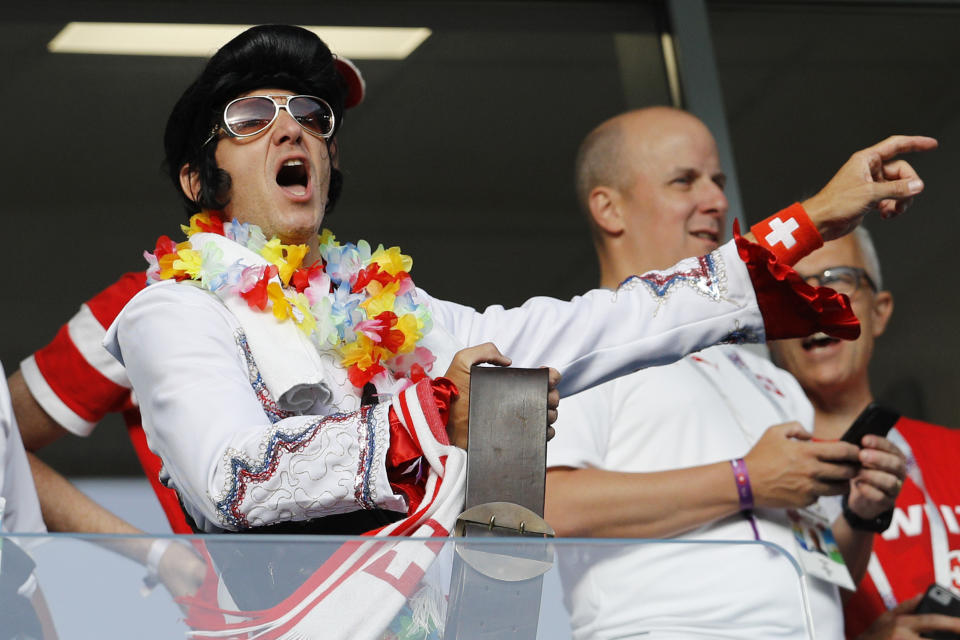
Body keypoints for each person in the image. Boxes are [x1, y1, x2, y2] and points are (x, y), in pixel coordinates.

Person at [544, 107, 928, 639]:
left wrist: (862, 517)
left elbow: (817, 575)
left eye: (718, 182)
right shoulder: (579, 344)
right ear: (609, 208)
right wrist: (745, 480)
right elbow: (544, 506)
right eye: (686, 181)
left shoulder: (766, 375)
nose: (717, 201)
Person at [771, 229, 960, 639]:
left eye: (837, 278)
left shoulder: (955, 453)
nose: (814, 303)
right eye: (792, 289)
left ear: (880, 311)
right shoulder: (767, 480)